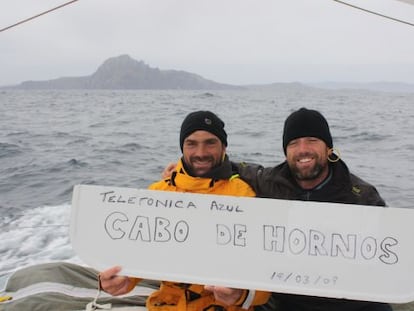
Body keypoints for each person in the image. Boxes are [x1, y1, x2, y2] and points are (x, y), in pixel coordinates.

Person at [99, 110, 270, 311]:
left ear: (223, 146)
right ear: (182, 146)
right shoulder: (158, 193)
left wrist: (240, 295)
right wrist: (123, 280)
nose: (201, 153)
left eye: (210, 142)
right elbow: (138, 253)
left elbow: (264, 281)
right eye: (191, 143)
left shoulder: (244, 196)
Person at [236, 107, 391, 311]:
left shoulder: (361, 196)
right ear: (285, 151)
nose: (302, 150)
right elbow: (237, 168)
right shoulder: (271, 181)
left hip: (348, 302)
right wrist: (183, 166)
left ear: (328, 148)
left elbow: (390, 251)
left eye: (312, 140)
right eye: (293, 143)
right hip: (287, 299)